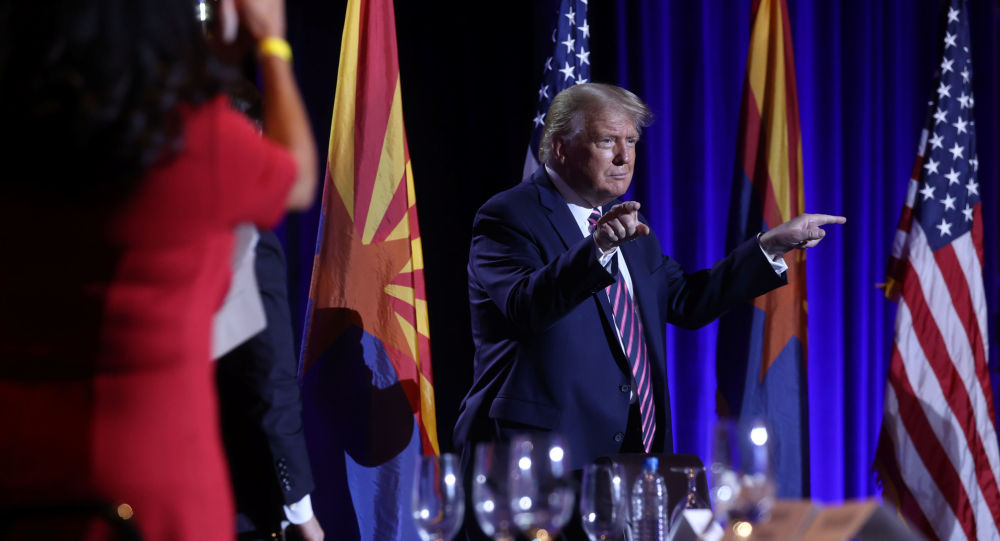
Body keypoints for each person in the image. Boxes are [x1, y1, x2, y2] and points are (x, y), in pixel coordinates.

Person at [0, 0, 316, 539]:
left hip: (20, 478)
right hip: (156, 493)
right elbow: (299, 177)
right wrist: (271, 46)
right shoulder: (194, 143)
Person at [454, 83, 844, 475]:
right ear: (560, 148)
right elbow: (525, 305)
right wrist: (598, 249)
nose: (624, 157)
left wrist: (768, 247)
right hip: (540, 458)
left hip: (635, 453)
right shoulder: (509, 216)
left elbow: (688, 300)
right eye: (607, 140)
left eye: (631, 141)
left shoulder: (630, 228)